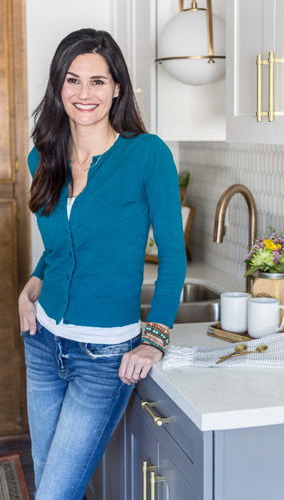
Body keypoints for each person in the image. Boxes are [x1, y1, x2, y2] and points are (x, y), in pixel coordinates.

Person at [17, 28, 185, 499]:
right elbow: (60, 249)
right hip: (42, 342)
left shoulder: (148, 155)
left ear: (117, 88)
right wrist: (31, 284)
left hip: (103, 357)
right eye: (73, 80)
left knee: (55, 493)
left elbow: (173, 258)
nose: (84, 93)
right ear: (58, 87)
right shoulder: (42, 157)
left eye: (97, 81)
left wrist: (155, 339)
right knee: (47, 478)